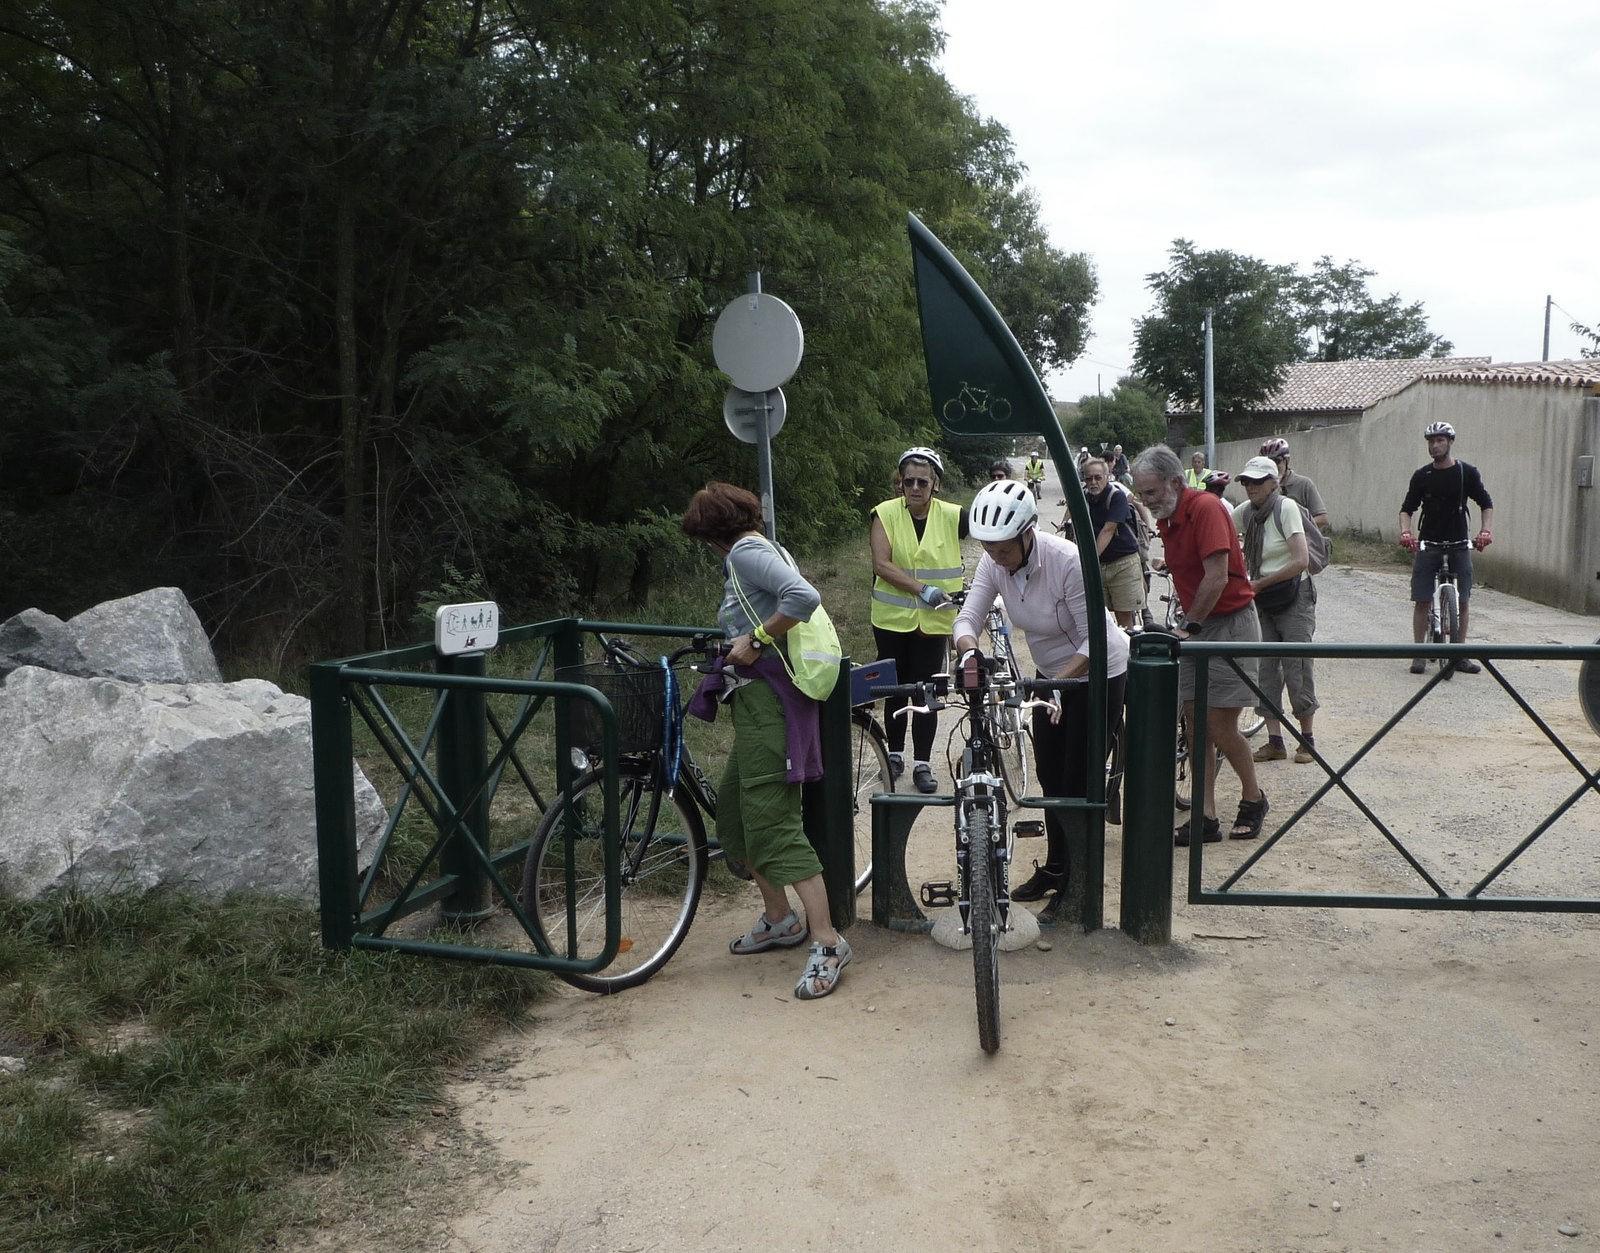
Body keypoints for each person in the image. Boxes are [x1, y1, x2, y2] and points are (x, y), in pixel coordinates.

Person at [680, 482, 851, 1000]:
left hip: (772, 706)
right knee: (735, 811)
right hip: (753, 706)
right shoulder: (756, 550)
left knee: (773, 820)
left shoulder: (748, 552)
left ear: (712, 534)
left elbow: (804, 596)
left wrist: (756, 639)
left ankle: (827, 940)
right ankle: (779, 918)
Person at [952, 479, 1129, 916]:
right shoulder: (994, 562)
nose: (996, 557)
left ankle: (1078, 886)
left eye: (1004, 549)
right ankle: (1055, 867)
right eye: (988, 548)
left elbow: (1096, 642)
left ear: (1028, 532)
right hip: (1050, 676)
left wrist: (1054, 684)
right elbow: (968, 617)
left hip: (1097, 673)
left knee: (1076, 780)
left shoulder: (1067, 561)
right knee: (1050, 776)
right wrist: (969, 653)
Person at [1131, 444, 1268, 844]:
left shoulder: (1205, 508)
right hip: (1198, 623)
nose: (1146, 501)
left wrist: (1189, 626)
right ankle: (1204, 816)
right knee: (1193, 723)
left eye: (1151, 493)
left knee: (1219, 723)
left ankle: (1253, 798)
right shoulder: (1169, 519)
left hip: (1228, 623)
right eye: (1141, 494)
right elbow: (1189, 565)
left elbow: (1217, 576)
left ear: (1176, 482)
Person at [869, 447, 967, 793]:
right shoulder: (884, 513)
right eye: (907, 480)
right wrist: (922, 588)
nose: (914, 487)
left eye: (922, 481)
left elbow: (992, 539)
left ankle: (922, 763)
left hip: (935, 623)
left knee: (926, 691)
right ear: (900, 483)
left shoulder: (954, 515)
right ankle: (894, 755)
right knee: (896, 689)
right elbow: (882, 564)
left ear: (935, 483)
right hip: (891, 619)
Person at [1232, 456, 1318, 764]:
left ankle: (1306, 739)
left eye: (1257, 481)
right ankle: (1275, 741)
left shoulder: (1286, 508)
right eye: (1246, 482)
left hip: (1294, 595)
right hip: (1264, 597)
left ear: (1273, 483)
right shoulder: (1247, 513)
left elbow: (1300, 560)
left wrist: (1258, 583)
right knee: (1266, 667)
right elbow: (1220, 529)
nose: (1250, 487)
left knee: (1297, 665)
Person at [1398, 421, 1494, 675]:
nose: (1434, 445)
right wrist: (1406, 532)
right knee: (1422, 599)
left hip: (1459, 543)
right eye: (1431, 441)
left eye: (1440, 440)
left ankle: (1459, 655)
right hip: (1429, 543)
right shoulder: (1422, 476)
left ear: (1450, 442)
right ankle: (1419, 653)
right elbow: (1407, 509)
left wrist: (1485, 531)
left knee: (1462, 600)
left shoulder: (1466, 473)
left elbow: (1485, 503)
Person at [1081, 458, 1145, 629]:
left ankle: (1126, 653)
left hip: (1122, 563)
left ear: (1107, 476)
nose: (1093, 482)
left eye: (1097, 477)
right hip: (1099, 564)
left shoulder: (1117, 497)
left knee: (1124, 618)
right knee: (1095, 616)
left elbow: (1108, 530)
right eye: (1089, 478)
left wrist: (1089, 561)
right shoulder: (1084, 497)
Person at [1259, 438, 1329, 531]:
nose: (1272, 467)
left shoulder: (1304, 484)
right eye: (1267, 463)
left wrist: (1292, 528)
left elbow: (1322, 519)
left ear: (1287, 460)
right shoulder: (1260, 485)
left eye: (1276, 461)